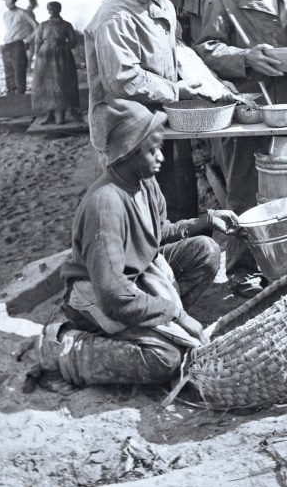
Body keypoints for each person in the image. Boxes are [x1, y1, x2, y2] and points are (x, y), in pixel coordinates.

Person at [35, 102, 238, 390]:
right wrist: (176, 314)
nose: (161, 158)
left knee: (205, 252)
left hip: (137, 276)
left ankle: (153, 328)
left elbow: (158, 232)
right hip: (98, 294)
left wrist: (206, 221)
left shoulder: (145, 182)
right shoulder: (106, 206)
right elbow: (114, 297)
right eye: (153, 150)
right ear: (129, 154)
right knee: (166, 359)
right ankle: (70, 350)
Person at [194, 0, 287, 298]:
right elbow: (206, 48)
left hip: (279, 99)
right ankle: (241, 269)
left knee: (277, 181)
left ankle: (274, 262)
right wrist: (245, 58)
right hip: (243, 101)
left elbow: (286, 32)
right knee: (243, 186)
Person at [83, 0, 203, 219]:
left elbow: (176, 49)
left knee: (178, 205)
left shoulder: (164, 4)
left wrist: (206, 80)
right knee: (139, 219)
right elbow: (123, 80)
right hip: (126, 136)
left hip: (161, 126)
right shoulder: (116, 13)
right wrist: (176, 90)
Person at [31, 2, 80, 125]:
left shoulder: (66, 25)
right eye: (49, 9)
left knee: (61, 84)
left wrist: (63, 45)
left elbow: (74, 42)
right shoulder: (43, 25)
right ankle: (50, 115)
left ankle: (61, 114)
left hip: (62, 57)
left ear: (59, 10)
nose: (51, 11)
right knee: (46, 84)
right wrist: (37, 56)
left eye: (54, 9)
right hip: (45, 58)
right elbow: (37, 41)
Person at [1, 0, 37, 94]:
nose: (6, 3)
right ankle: (11, 93)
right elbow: (10, 30)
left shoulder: (22, 13)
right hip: (7, 45)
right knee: (8, 72)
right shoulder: (5, 14)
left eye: (7, 1)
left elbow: (36, 26)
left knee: (19, 71)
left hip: (18, 44)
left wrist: (29, 38)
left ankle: (21, 93)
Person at [24, 0, 39, 72]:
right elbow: (35, 24)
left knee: (29, 52)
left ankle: (28, 68)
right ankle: (28, 68)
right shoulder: (29, 12)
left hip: (29, 33)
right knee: (30, 52)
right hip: (29, 34)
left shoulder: (28, 11)